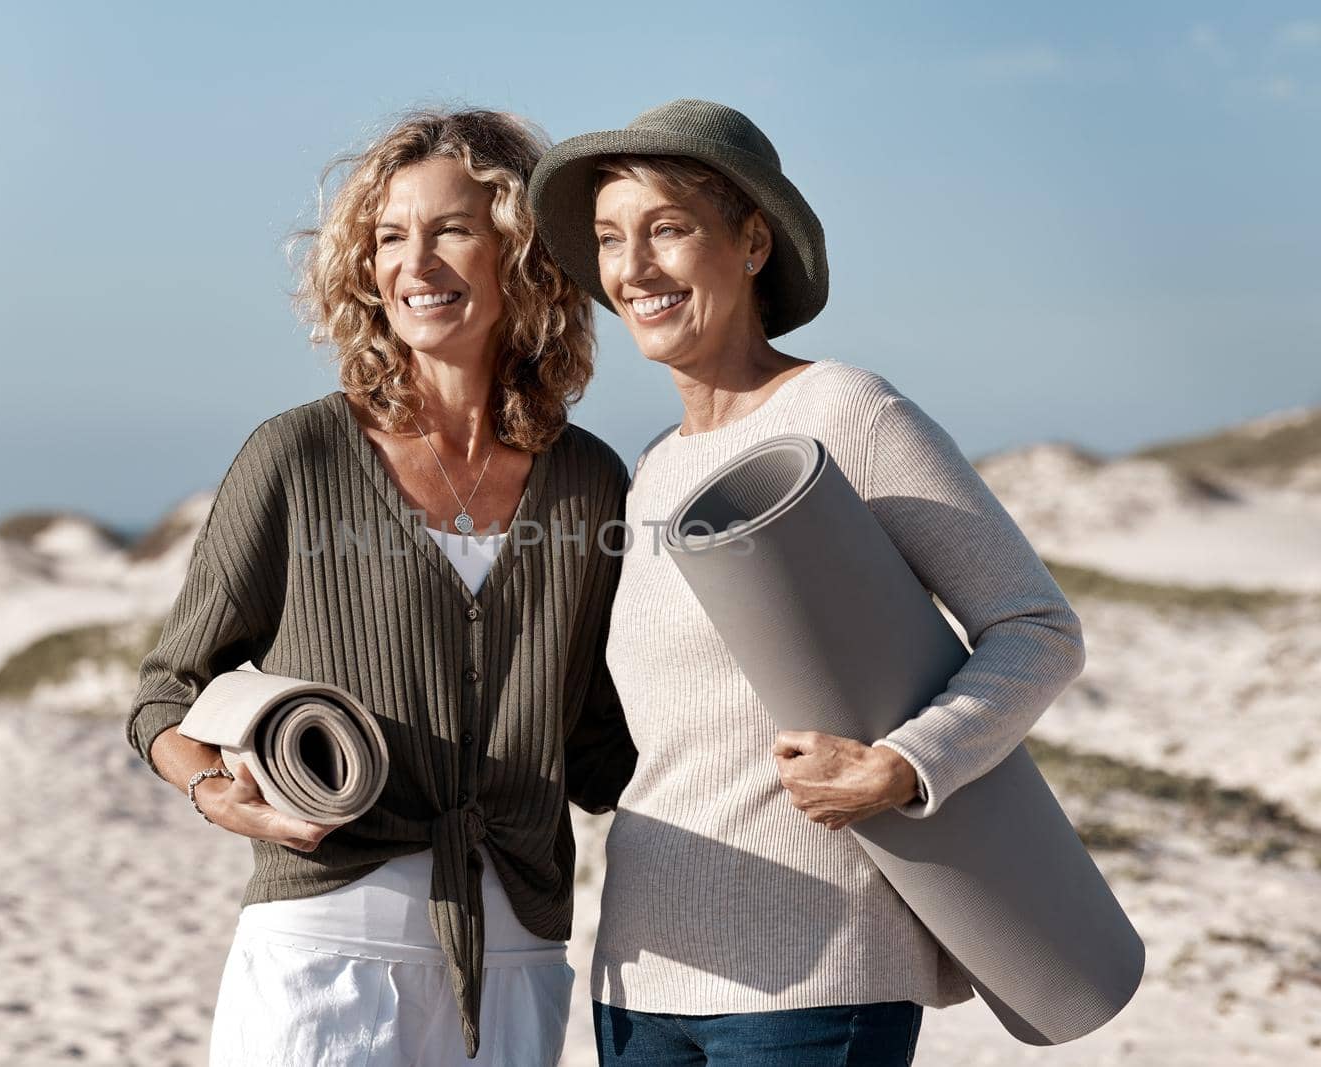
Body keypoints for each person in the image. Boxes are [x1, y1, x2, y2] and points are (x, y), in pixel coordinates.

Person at [528, 99, 1086, 1066]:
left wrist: (906, 766)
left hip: (820, 978)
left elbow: (1037, 627)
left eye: (668, 229)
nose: (635, 269)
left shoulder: (848, 411)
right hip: (642, 977)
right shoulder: (653, 465)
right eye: (614, 240)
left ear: (751, 243)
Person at [126, 108, 636, 1065]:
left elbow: (607, 744)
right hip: (324, 952)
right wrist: (215, 791)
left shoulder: (590, 481)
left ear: (518, 252)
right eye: (389, 237)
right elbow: (166, 691)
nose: (417, 263)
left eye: (451, 230)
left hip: (518, 959)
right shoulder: (298, 456)